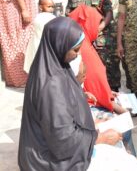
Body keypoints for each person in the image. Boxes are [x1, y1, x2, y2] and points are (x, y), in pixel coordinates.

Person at [18, 17, 122, 170]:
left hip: (45, 149)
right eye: (75, 50)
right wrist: (100, 138)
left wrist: (91, 126)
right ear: (60, 45)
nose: (77, 54)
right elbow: (63, 140)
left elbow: (63, 111)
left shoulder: (50, 65)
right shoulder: (51, 85)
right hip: (46, 160)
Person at [69, 5, 126, 115]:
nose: (99, 28)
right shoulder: (83, 50)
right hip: (88, 108)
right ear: (86, 24)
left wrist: (108, 92)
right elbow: (97, 90)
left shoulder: (75, 43)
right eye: (96, 24)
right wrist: (124, 113)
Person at [100, 0, 132, 92]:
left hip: (126, 38)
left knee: (130, 68)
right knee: (112, 70)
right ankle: (115, 94)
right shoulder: (102, 0)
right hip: (109, 41)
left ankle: (134, 95)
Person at [24, 0, 56, 73]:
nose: (51, 9)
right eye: (49, 6)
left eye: (52, 7)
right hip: (45, 45)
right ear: (40, 7)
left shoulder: (36, 17)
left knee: (35, 67)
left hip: (35, 44)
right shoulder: (52, 18)